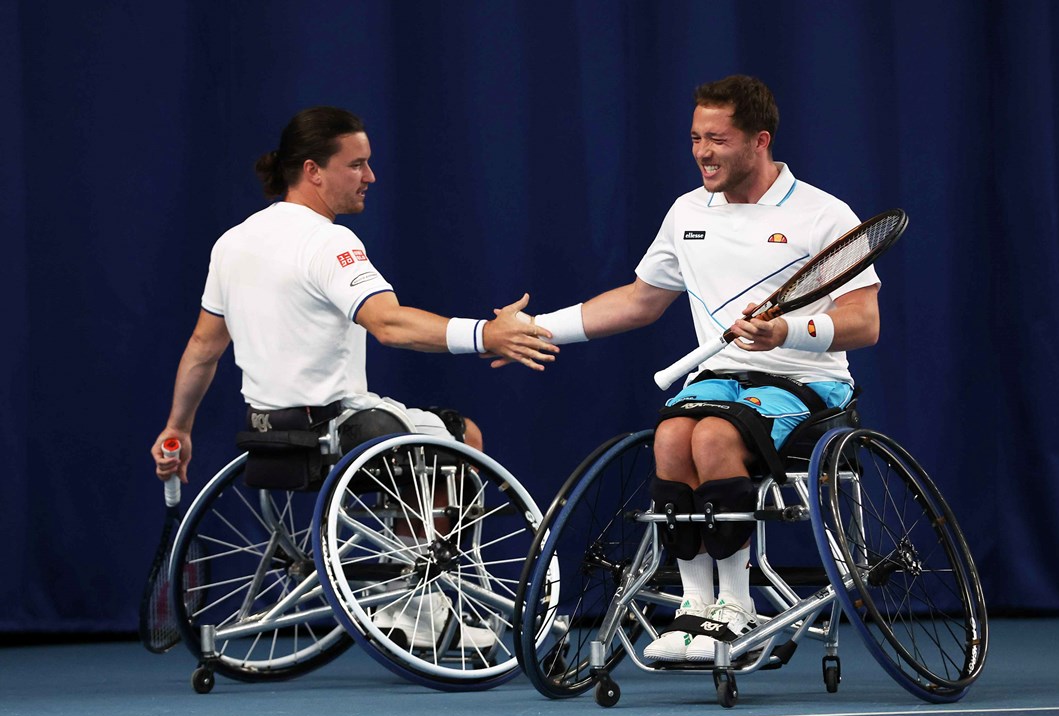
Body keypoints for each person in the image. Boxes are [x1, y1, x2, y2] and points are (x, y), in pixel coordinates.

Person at [151, 106, 558, 643]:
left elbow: (204, 347)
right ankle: (417, 603)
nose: (370, 177)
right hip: (338, 432)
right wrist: (488, 333)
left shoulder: (233, 241)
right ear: (314, 170)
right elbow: (388, 324)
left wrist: (177, 427)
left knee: (417, 437)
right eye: (357, 165)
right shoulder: (329, 243)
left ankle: (405, 594)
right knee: (465, 439)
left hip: (267, 435)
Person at [524, 75, 880, 663]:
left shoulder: (823, 214)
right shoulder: (687, 211)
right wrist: (540, 328)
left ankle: (736, 607)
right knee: (670, 437)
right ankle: (695, 607)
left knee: (714, 436)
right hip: (720, 380)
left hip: (810, 383)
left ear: (759, 141)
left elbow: (864, 322)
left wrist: (785, 331)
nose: (702, 153)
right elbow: (640, 301)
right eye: (695, 138)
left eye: (717, 139)